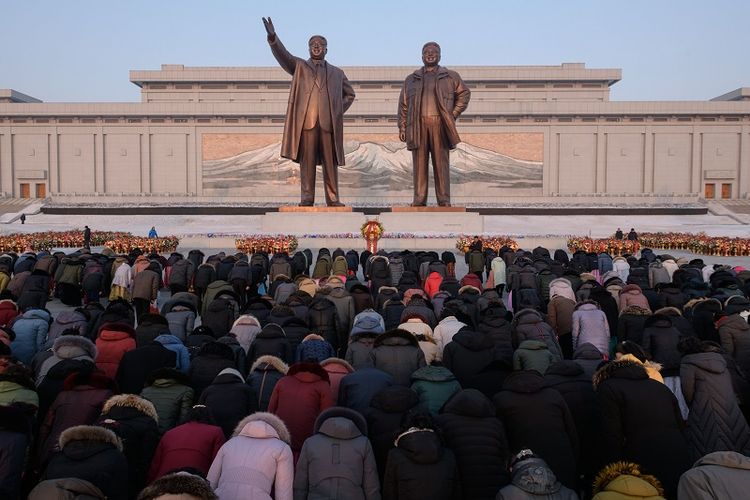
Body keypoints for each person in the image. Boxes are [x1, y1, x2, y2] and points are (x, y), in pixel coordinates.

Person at [263, 17, 355, 207]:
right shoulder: (300, 67)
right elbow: (284, 55)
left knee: (331, 163)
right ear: (308, 48)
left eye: (320, 44)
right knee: (308, 163)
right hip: (307, 124)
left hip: (328, 124)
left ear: (326, 49)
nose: (316, 46)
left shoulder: (337, 73)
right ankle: (307, 198)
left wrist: (336, 111)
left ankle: (333, 198)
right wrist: (273, 37)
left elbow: (350, 95)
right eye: (313, 44)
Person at [398, 42, 470, 207]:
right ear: (422, 56)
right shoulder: (411, 79)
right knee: (419, 163)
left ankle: (444, 200)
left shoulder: (451, 76)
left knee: (441, 162)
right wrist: (402, 127)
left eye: (434, 52)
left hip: (440, 124)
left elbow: (464, 94)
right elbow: (403, 105)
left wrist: (453, 114)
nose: (430, 54)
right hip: (417, 125)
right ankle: (419, 199)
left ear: (440, 55)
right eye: (426, 52)